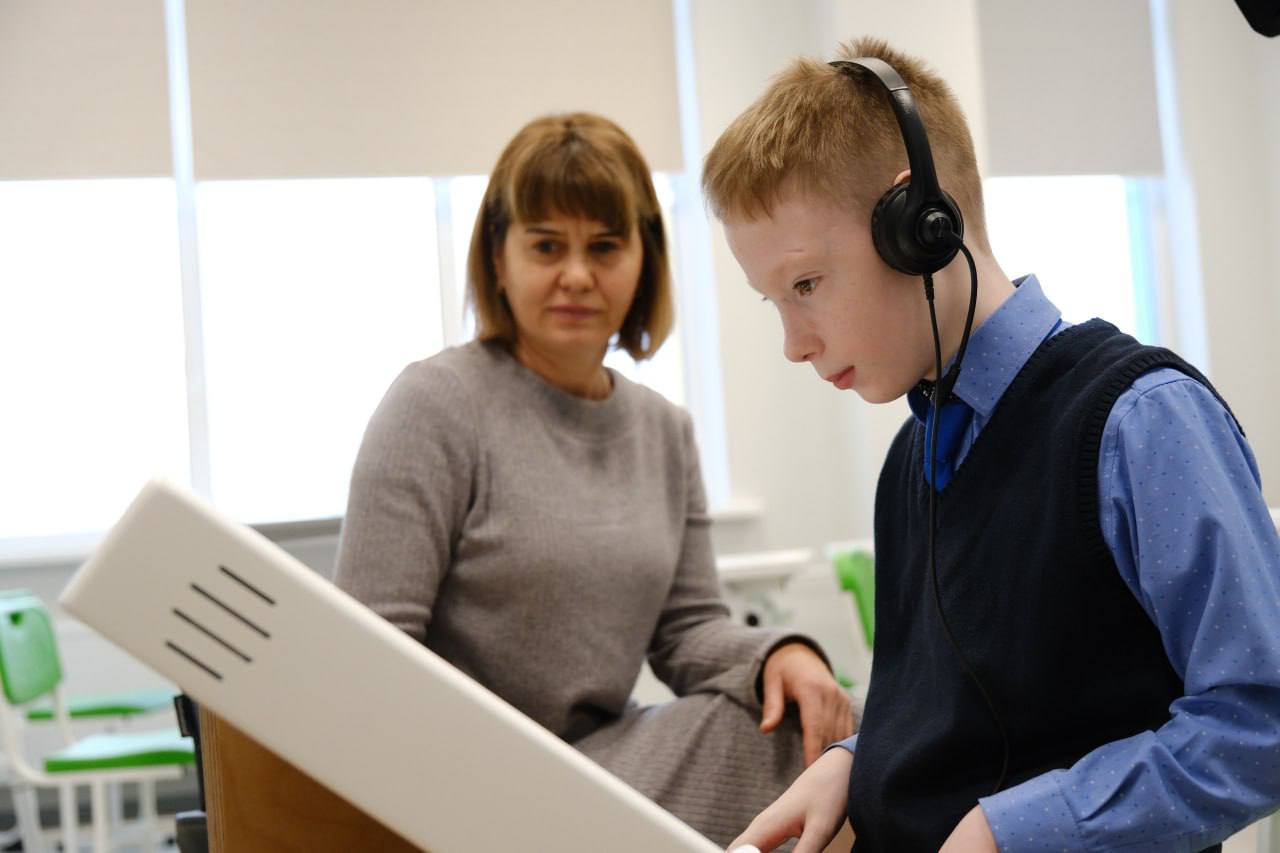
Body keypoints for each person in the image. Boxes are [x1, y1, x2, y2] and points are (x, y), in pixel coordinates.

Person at [702, 37, 1280, 853]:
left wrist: (1016, 830)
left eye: (806, 284)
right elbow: (977, 717)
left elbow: (1261, 721)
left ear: (918, 225)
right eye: (776, 302)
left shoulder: (1141, 422)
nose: (794, 344)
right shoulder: (910, 461)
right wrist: (857, 760)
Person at [333, 112, 854, 847]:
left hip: (605, 759)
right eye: (547, 245)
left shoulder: (664, 430)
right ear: (499, 257)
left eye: (604, 247)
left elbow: (689, 630)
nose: (577, 275)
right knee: (803, 760)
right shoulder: (434, 405)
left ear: (644, 260)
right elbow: (369, 653)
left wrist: (779, 654)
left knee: (832, 736)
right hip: (471, 785)